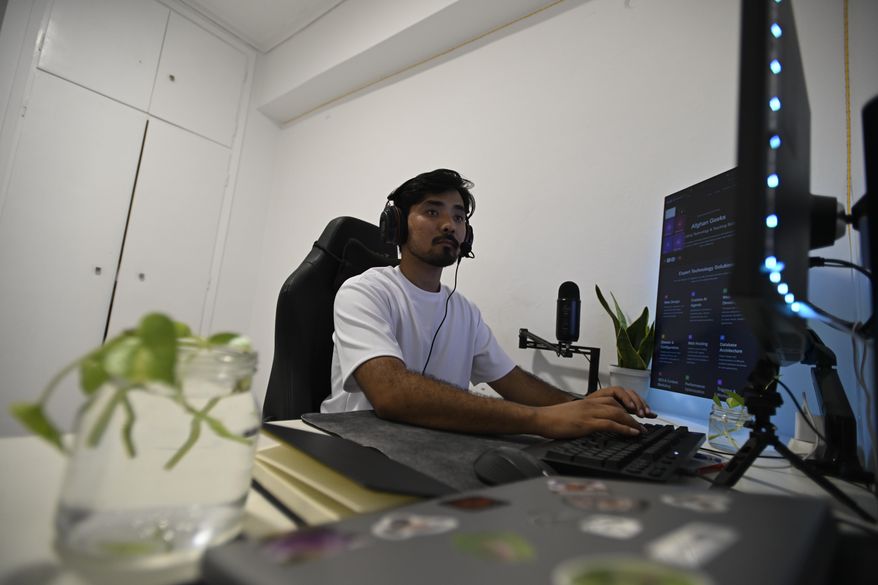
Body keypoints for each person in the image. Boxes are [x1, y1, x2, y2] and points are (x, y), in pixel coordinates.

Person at [320, 168, 654, 439]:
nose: (450, 224)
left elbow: (511, 381)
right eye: (432, 211)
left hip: (426, 446)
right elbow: (391, 393)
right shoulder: (364, 292)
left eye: (459, 217)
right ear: (396, 225)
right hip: (355, 446)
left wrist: (578, 405)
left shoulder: (464, 311)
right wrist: (540, 421)